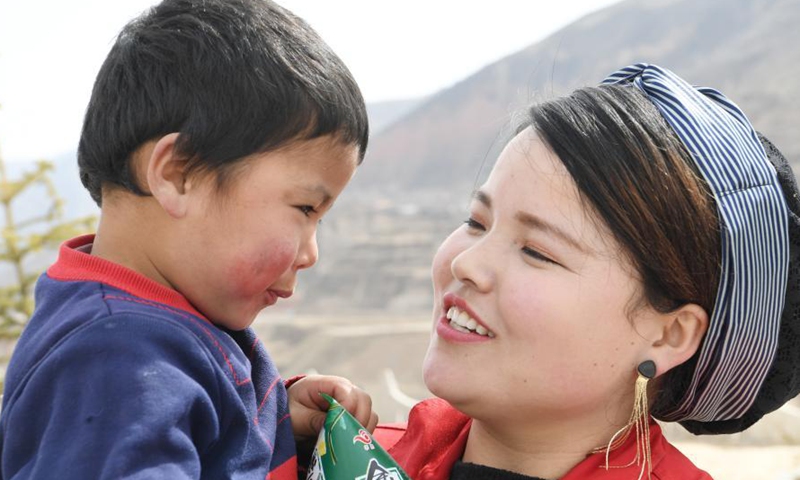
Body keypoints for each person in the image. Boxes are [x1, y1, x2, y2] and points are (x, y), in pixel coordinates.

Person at [0, 0, 377, 478]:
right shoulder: (116, 365)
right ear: (180, 174)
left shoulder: (152, 326)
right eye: (305, 208)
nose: (311, 254)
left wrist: (282, 421)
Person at [374, 64, 800, 479]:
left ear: (669, 334)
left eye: (537, 251)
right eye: (476, 222)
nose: (465, 263)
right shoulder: (344, 458)